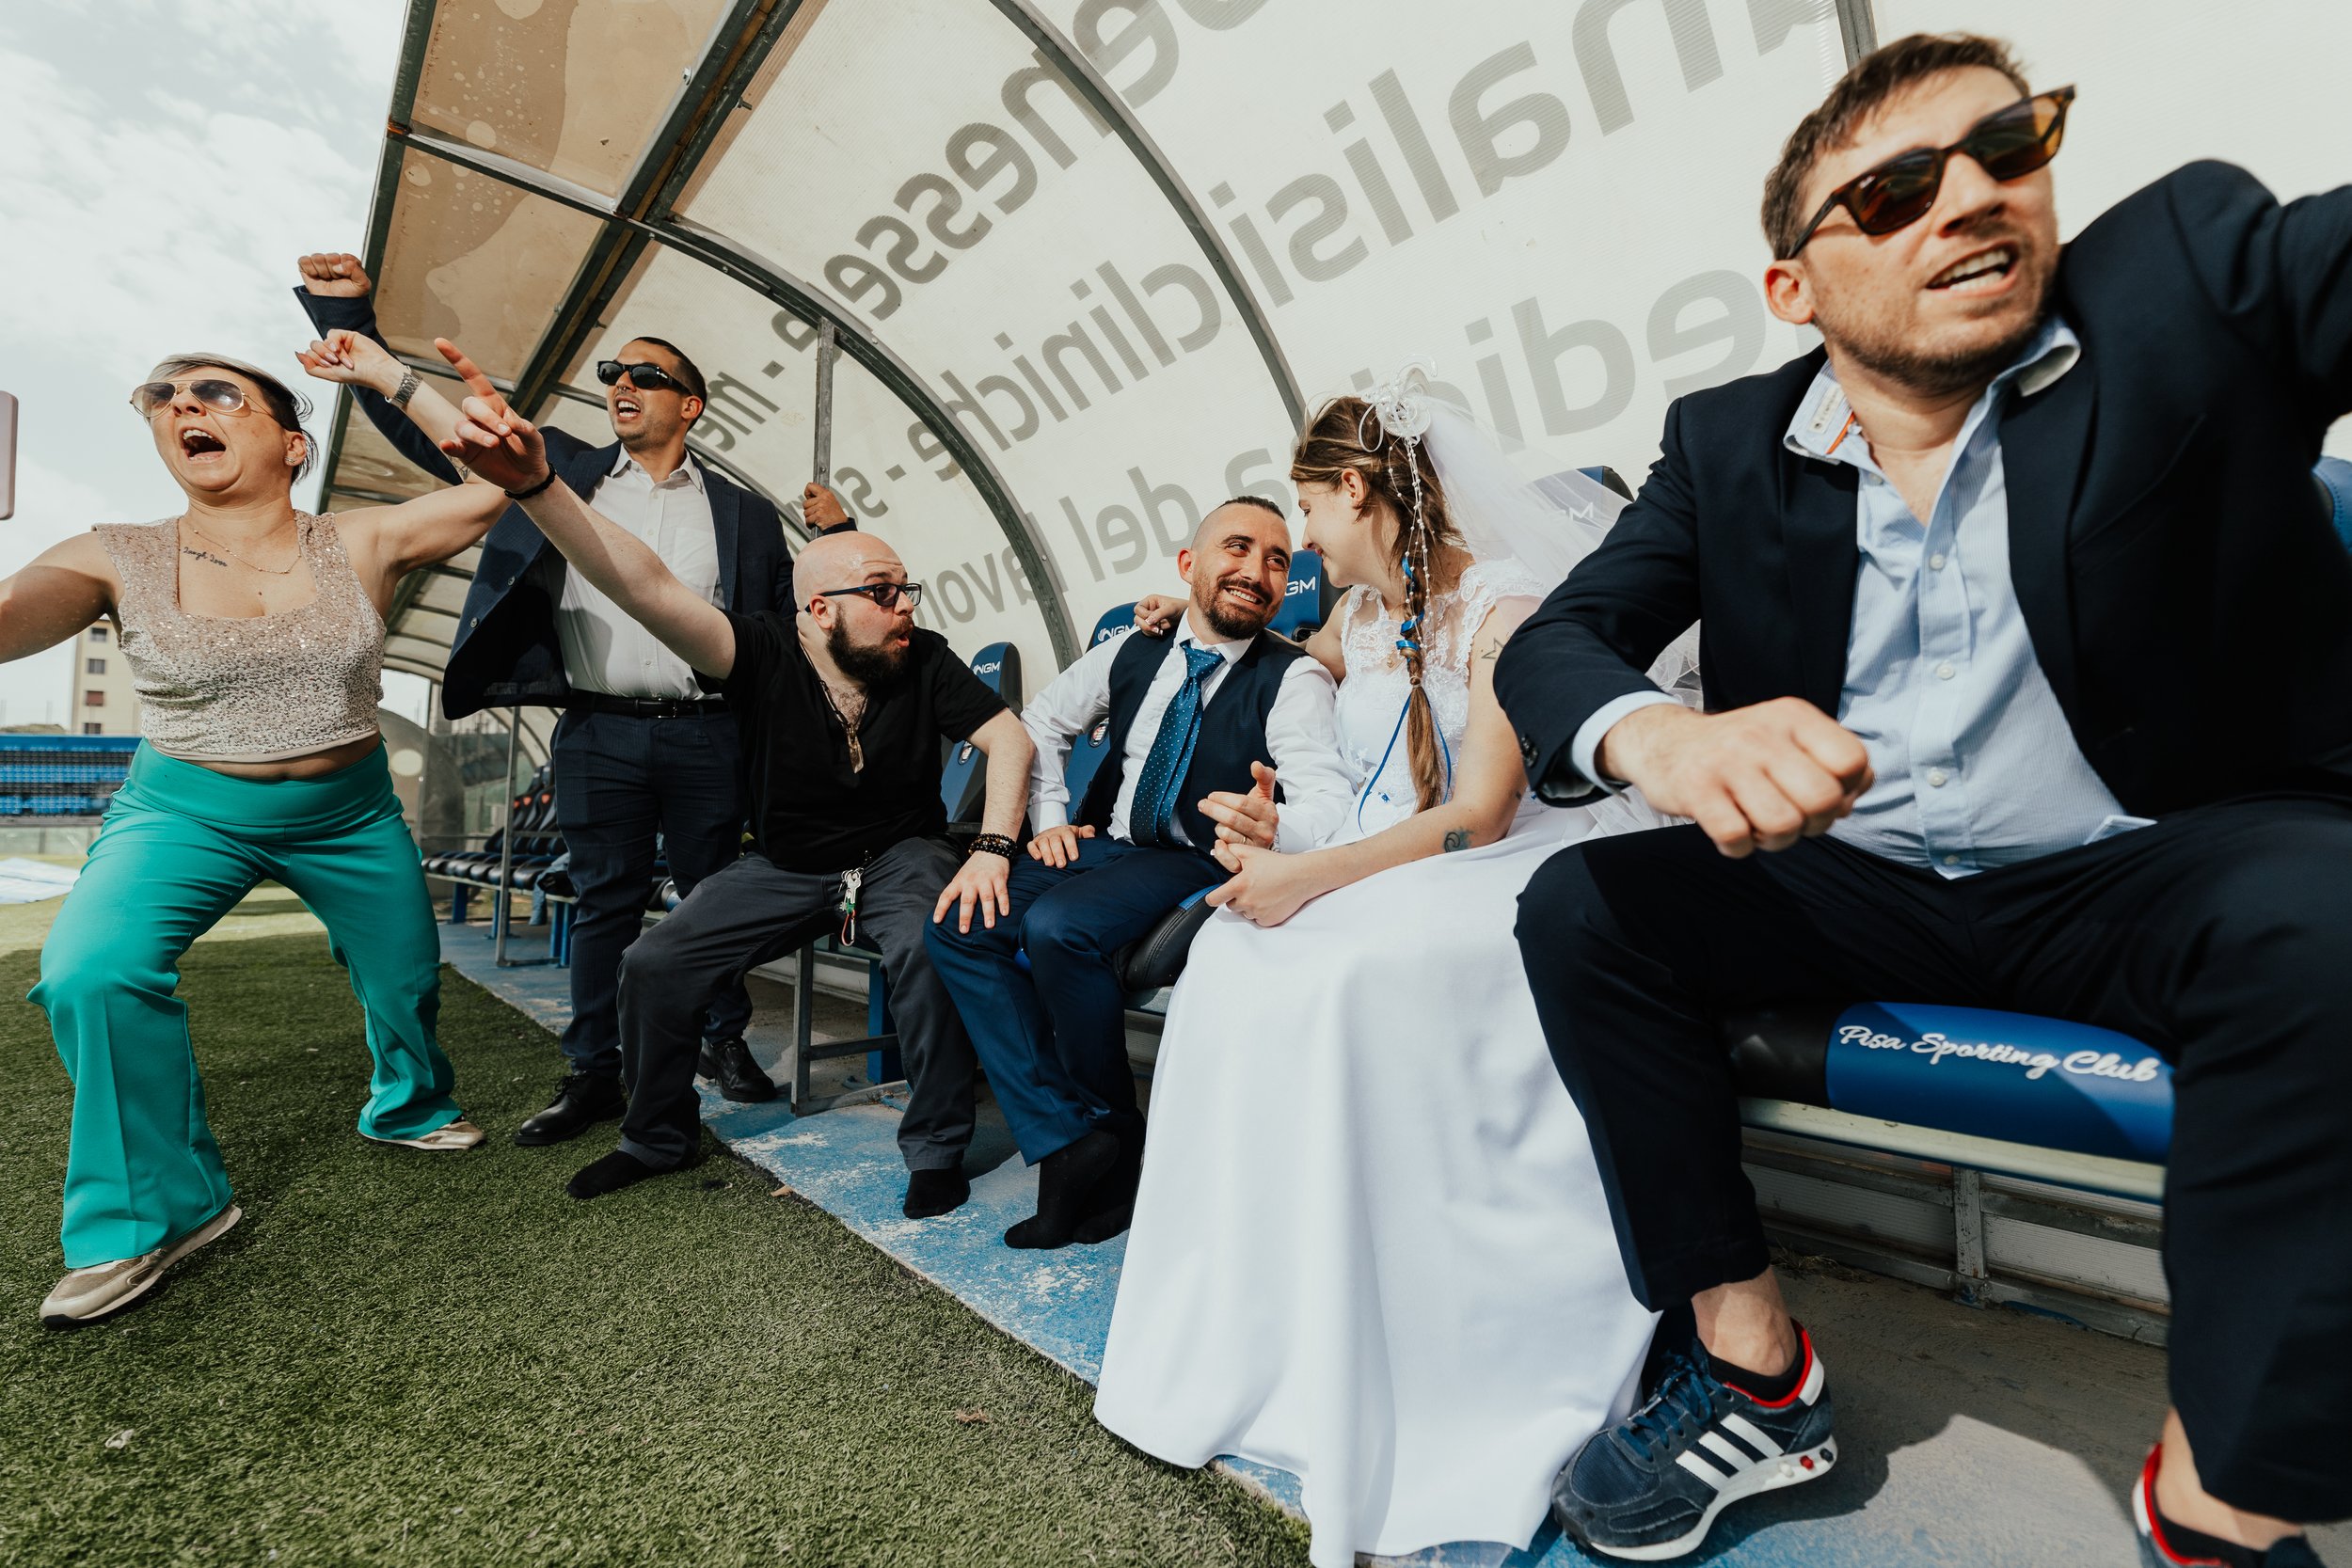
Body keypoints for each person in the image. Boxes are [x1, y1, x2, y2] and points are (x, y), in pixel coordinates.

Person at [1496, 34, 2352, 1567]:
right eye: (1894, 189)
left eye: (2007, 147)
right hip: (1866, 876)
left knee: (2337, 919)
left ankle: (2224, 1493)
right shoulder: (1723, 446)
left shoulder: (2187, 276)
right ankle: (1756, 1371)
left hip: (2150, 865)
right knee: (1583, 904)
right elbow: (1560, 642)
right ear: (1795, 286)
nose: (1969, 197)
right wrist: (1662, 741)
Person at [1093, 382, 1668, 1568]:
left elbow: (1478, 811)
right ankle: (1279, 1326)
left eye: (1306, 505)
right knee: (1233, 965)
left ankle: (1422, 1340)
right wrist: (1275, 828)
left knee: (1344, 973)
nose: (1299, 538)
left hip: (1498, 864)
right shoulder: (1350, 621)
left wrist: (1317, 878)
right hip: (1398, 857)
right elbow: (1355, 782)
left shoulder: (1505, 609)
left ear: (1354, 489)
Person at [428, 343, 1034, 1218]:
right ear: (819, 609)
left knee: (928, 947)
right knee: (654, 960)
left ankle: (936, 1145)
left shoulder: (922, 655)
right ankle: (656, 1133)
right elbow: (643, 585)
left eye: (907, 588)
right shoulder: (753, 650)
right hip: (788, 864)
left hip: (901, 854)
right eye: (887, 590)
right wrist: (537, 487)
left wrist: (990, 849)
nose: (909, 605)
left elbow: (1008, 737)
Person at [15, 331, 541, 1326]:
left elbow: (498, 480)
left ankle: (407, 1103)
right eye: (161, 398)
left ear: (293, 443)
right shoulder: (112, 552)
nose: (182, 408)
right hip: (181, 809)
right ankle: (155, 1214)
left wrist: (387, 376)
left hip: (346, 812)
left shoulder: (361, 540)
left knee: (403, 977)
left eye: (215, 393)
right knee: (90, 969)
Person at [294, 252, 842, 1144]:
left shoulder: (743, 513)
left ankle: (721, 1039)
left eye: (646, 374)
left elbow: (787, 626)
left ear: (689, 406)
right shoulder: (565, 475)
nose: (621, 383)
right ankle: (595, 1071)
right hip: (598, 733)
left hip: (711, 736)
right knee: (604, 905)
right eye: (612, 373)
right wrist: (343, 321)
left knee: (714, 900)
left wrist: (839, 542)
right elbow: (439, 436)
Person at [924, 499, 1354, 1250]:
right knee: (959, 921)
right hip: (1105, 844)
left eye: (1278, 560)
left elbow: (1326, 797)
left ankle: (1107, 1145)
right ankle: (1070, 1142)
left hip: (1191, 856)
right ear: (1189, 566)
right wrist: (1050, 820)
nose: (1256, 571)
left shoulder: (1294, 678)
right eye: (1239, 548)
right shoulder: (1131, 647)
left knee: (1061, 929)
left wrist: (1277, 825)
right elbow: (1042, 724)